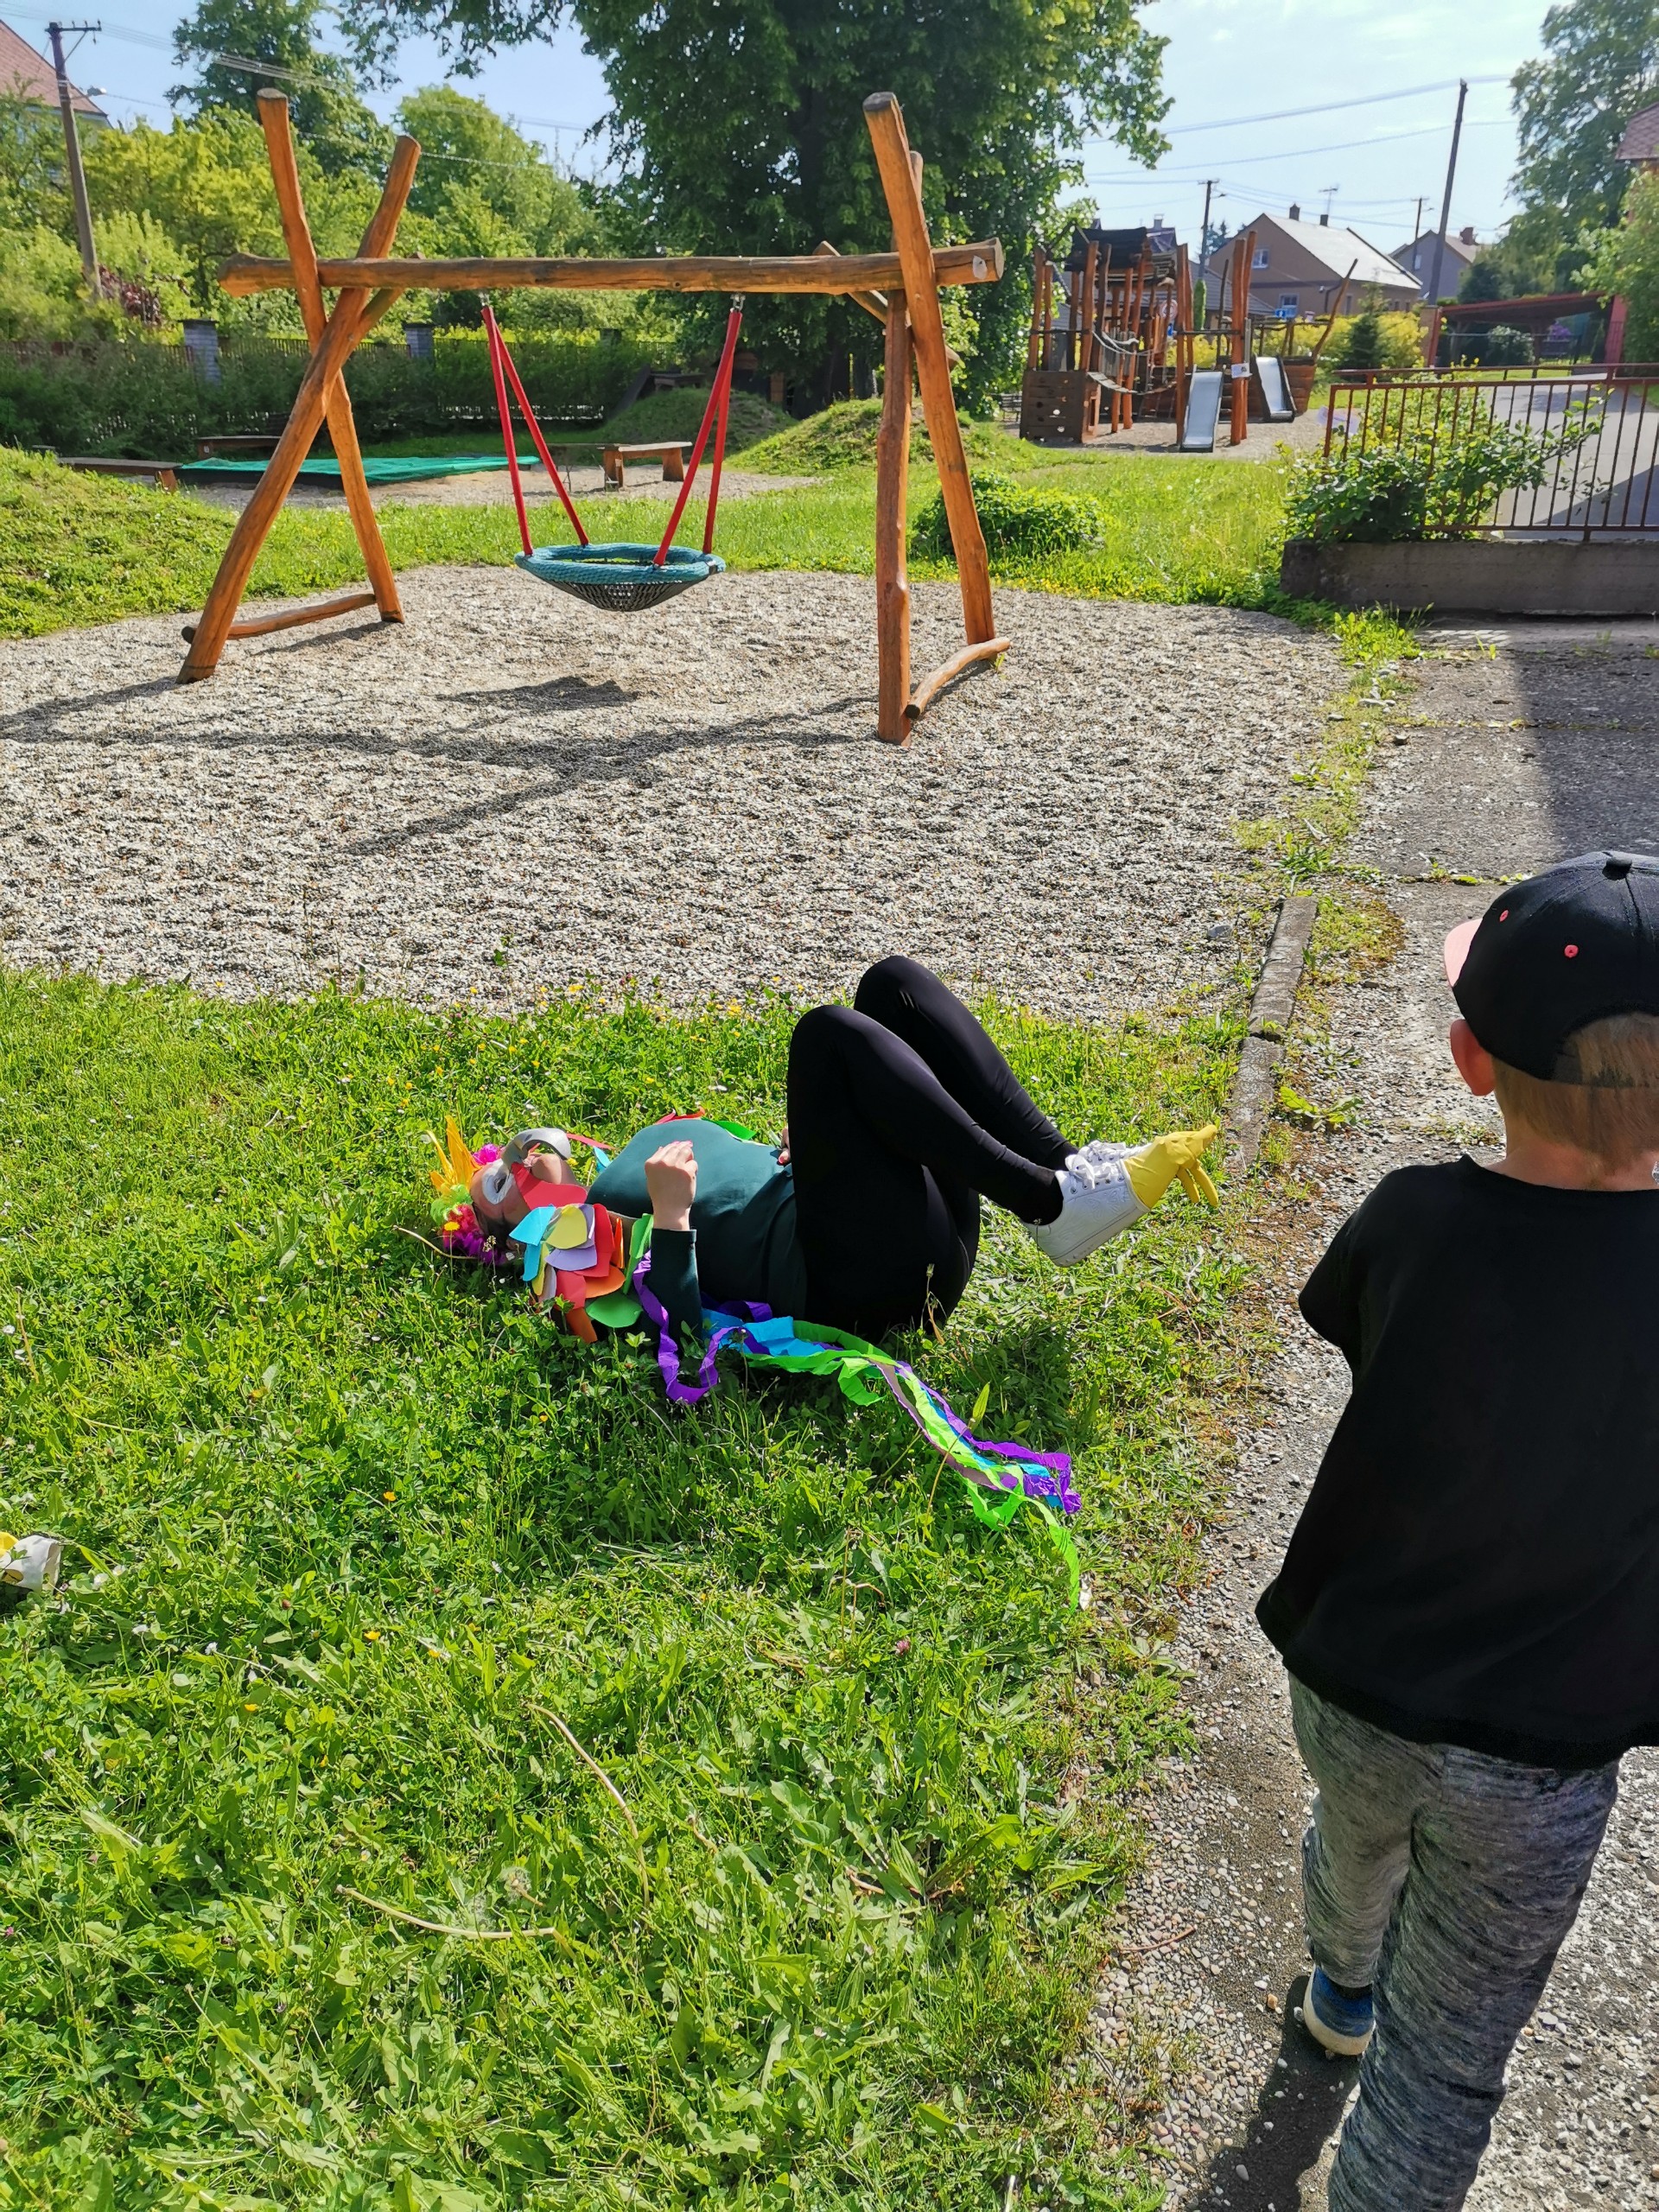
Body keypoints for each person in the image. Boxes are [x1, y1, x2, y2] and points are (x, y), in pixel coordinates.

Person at [1255, 850, 1659, 2212]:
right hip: (1541, 1756)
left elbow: (1360, 1332)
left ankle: (1338, 1990)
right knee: (1448, 2063)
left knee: (1355, 1838)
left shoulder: (1412, 1217)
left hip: (1359, 1682)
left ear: (1470, 1061)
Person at [467, 957, 1218, 1349]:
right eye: (499, 1184)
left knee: (892, 987)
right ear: (508, 1240)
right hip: (853, 1291)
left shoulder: (633, 1151)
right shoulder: (572, 1251)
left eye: (509, 1155)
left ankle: (1068, 1173)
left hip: (892, 1228)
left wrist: (804, 1143)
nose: (520, 1162)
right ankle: (1049, 1204)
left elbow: (749, 1183)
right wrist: (669, 1220)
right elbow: (677, 1332)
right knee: (824, 1036)